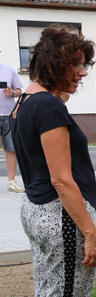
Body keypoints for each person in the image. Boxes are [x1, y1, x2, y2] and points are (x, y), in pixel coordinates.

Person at [13, 24, 96, 297]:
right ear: (56, 65)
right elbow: (62, 179)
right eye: (77, 65)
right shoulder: (49, 107)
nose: (83, 73)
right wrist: (90, 233)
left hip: (37, 212)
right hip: (60, 217)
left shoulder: (25, 100)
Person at [0, 53, 24, 192]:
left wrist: (12, 92)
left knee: (11, 149)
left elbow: (20, 91)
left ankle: (11, 182)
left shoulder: (9, 70)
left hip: (8, 115)